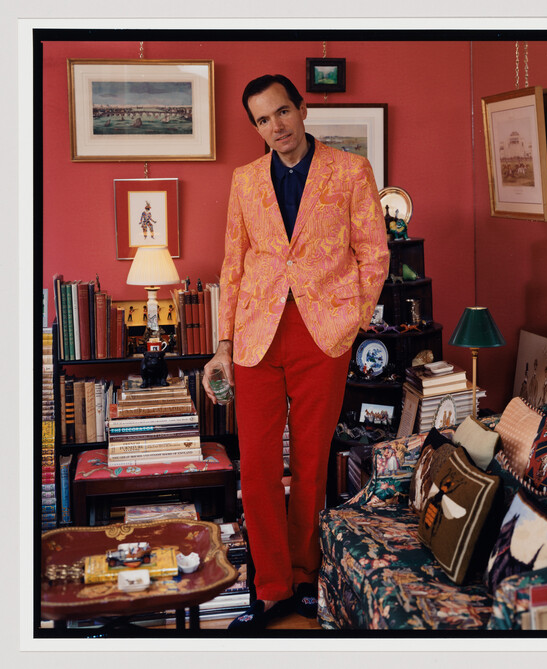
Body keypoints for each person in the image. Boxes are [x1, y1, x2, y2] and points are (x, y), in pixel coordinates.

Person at [202, 74, 389, 631]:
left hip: (322, 335)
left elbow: (374, 253)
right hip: (257, 337)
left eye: (282, 112)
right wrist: (223, 345)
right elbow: (232, 265)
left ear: (302, 109)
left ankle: (305, 577)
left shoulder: (349, 170)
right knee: (257, 467)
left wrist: (350, 323)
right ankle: (271, 586)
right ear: (255, 126)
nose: (275, 127)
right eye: (262, 119)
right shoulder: (245, 180)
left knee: (310, 463)